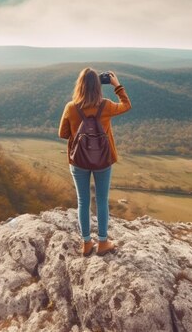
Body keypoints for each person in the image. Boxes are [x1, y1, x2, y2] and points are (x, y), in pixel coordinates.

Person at [58, 68, 132, 256]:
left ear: (80, 85)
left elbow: (62, 134)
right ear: (98, 86)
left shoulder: (71, 107)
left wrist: (78, 130)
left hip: (78, 161)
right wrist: (117, 85)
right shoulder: (106, 105)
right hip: (103, 161)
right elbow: (126, 105)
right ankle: (103, 242)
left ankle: (86, 243)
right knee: (101, 200)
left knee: (83, 201)